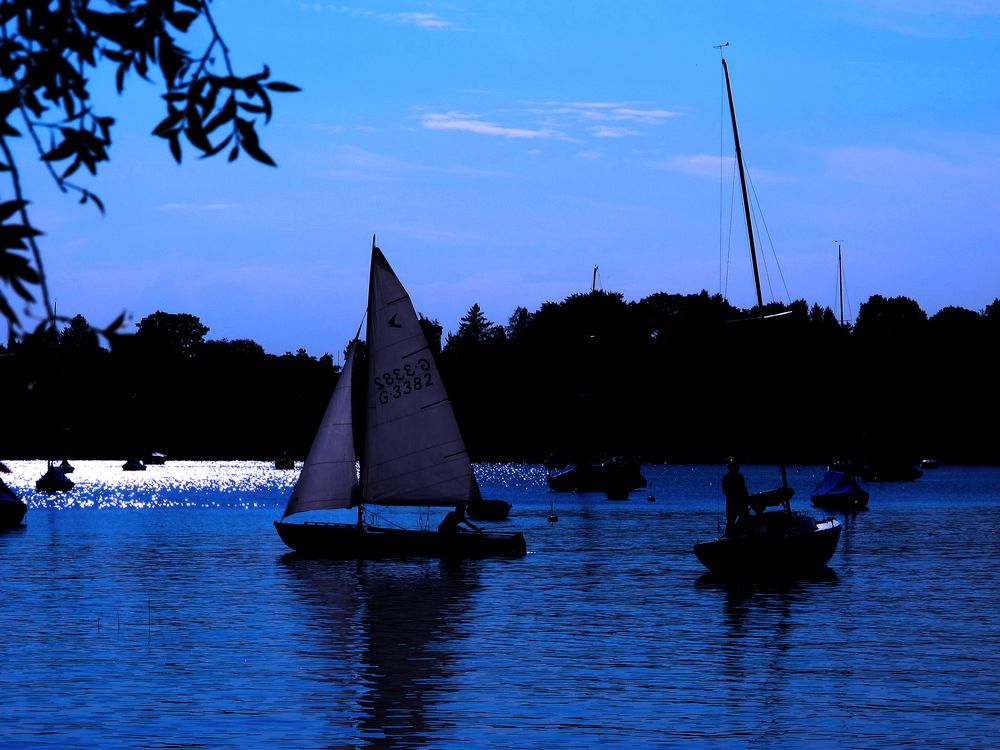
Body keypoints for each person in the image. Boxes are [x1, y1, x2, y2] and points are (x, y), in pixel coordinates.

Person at [721, 458, 751, 537]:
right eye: (734, 466)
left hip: (739, 502)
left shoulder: (739, 477)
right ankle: (728, 535)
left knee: (743, 518)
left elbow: (744, 489)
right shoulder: (727, 477)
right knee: (731, 520)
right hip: (732, 502)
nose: (736, 468)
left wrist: (747, 498)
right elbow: (725, 491)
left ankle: (741, 533)